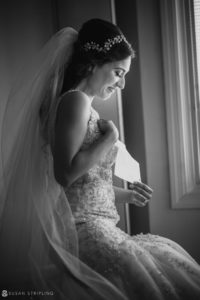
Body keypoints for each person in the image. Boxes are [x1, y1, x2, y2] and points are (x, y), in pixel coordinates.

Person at [0, 18, 200, 300]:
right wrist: (109, 139)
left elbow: (81, 189)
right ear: (93, 63)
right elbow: (65, 174)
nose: (122, 83)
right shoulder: (75, 101)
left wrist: (126, 196)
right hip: (85, 232)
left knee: (167, 263)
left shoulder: (79, 104)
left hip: (96, 225)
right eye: (118, 72)